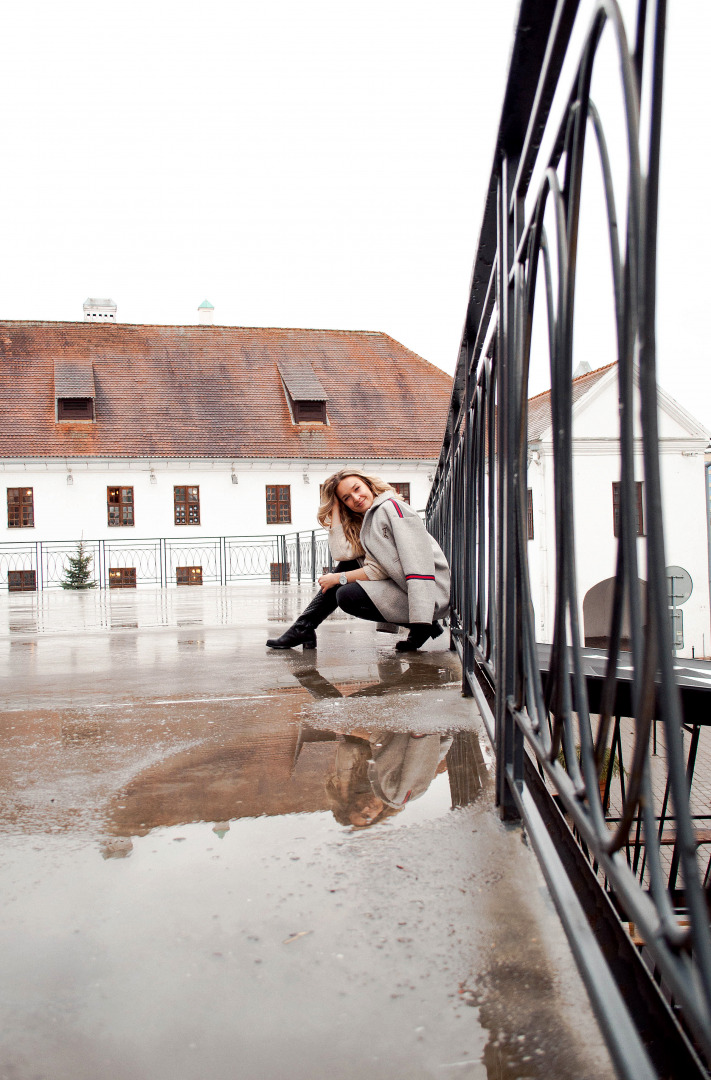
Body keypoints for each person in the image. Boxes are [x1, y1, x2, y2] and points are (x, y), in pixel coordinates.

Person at [266, 469, 450, 652]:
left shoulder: (391, 508)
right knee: (350, 563)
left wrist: (338, 578)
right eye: (346, 498)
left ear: (369, 485)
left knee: (347, 596)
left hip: (431, 595)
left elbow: (383, 569)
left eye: (357, 488)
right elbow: (343, 553)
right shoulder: (371, 517)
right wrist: (336, 508)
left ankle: (422, 625)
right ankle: (303, 627)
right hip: (410, 589)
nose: (355, 498)